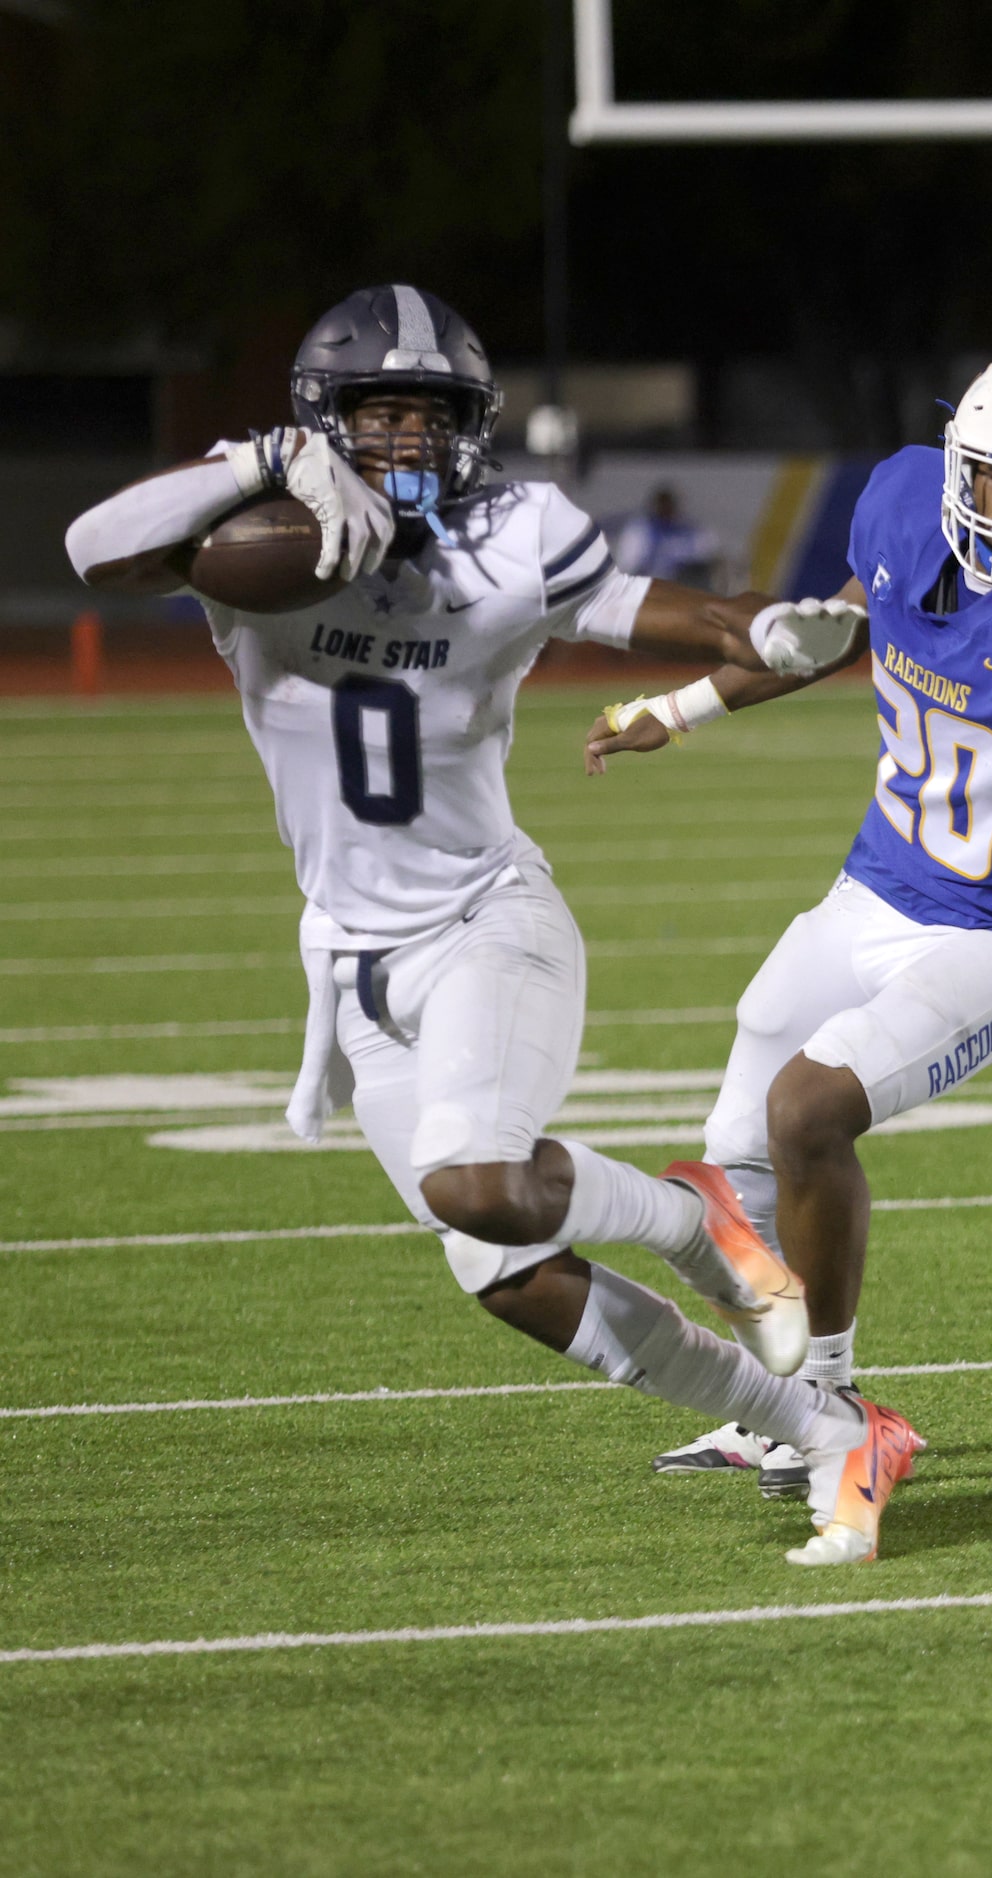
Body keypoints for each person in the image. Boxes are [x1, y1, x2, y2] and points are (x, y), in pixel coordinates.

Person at [64, 283, 922, 1566]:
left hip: (483, 925)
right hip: (353, 967)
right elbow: (92, 549)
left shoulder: (513, 532)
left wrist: (764, 629)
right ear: (320, 422)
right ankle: (821, 1430)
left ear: (471, 424)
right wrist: (254, 464)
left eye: (430, 413)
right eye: (376, 412)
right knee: (508, 1275)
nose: (406, 440)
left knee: (476, 1185)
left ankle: (697, 1221)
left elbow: (651, 611)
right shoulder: (253, 538)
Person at [584, 344, 992, 1542]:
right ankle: (774, 1408)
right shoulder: (907, 496)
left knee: (808, 1112)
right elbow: (830, 633)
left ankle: (836, 1403)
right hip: (872, 891)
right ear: (961, 458)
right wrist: (678, 709)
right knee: (734, 1151)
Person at [611, 485, 723, 588]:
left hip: (684, 589)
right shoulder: (639, 531)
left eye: (669, 505)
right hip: (651, 591)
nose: (666, 509)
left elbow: (713, 557)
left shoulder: (692, 531)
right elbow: (628, 568)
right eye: (662, 505)